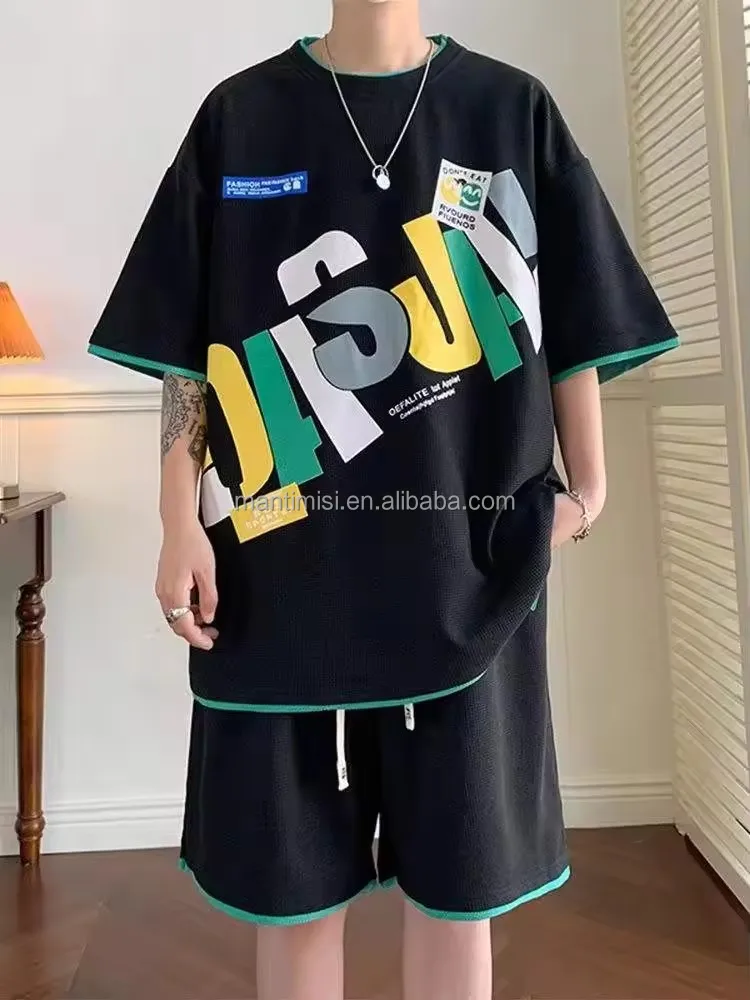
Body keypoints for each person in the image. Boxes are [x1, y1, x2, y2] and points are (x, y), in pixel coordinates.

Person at [87, 0, 679, 997]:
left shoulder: (510, 110)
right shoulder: (240, 116)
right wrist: (176, 520)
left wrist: (589, 489)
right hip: (271, 588)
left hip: (468, 580)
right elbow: (186, 350)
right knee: (291, 900)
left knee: (459, 896)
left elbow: (576, 308)